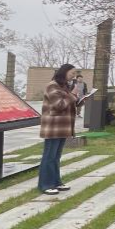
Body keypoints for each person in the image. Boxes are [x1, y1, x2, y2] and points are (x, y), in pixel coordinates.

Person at [39, 63, 78, 195]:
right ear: (64, 72)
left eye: (75, 74)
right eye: (72, 73)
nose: (74, 76)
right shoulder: (52, 85)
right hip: (53, 127)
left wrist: (79, 99)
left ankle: (56, 182)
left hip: (63, 126)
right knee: (49, 156)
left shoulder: (63, 86)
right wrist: (72, 95)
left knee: (56, 157)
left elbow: (69, 103)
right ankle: (45, 185)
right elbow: (59, 105)